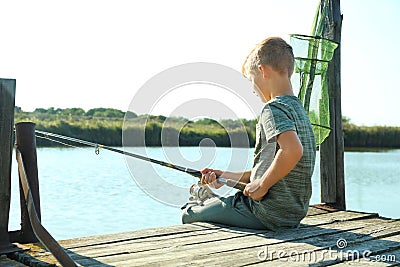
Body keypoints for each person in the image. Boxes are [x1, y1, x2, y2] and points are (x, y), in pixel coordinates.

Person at [181, 37, 316, 230]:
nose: (252, 89)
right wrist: (225, 175)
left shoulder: (273, 109)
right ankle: (213, 201)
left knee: (188, 214)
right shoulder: (300, 112)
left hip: (265, 213)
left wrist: (261, 186)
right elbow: (276, 167)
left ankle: (206, 201)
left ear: (262, 70)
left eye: (251, 80)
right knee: (220, 203)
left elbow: (293, 151)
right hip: (292, 215)